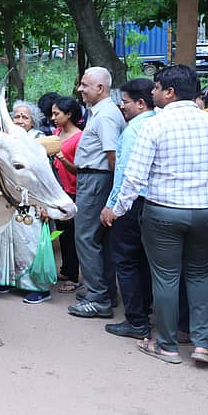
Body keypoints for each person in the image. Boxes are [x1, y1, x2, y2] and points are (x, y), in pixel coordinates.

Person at [104, 65, 208, 365]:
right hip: (205, 212)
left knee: (165, 277)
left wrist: (118, 209)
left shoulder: (154, 125)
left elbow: (134, 178)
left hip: (164, 212)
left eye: (156, 88)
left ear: (170, 92)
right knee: (200, 275)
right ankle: (202, 345)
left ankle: (166, 345)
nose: (152, 93)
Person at [99, 78, 156, 339]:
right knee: (144, 260)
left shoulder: (134, 130)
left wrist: (112, 206)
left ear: (141, 103)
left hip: (131, 203)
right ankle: (146, 309)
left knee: (126, 260)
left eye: (126, 103)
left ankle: (136, 321)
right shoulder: (160, 123)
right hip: (153, 203)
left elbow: (124, 173)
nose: (123, 108)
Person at [67, 66, 124, 319]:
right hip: (95, 178)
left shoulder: (106, 115)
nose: (80, 89)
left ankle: (97, 297)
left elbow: (113, 156)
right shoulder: (99, 112)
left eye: (84, 85)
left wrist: (113, 192)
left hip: (97, 179)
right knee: (98, 239)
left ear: (100, 88)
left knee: (86, 237)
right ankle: (103, 290)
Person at [0, 101, 53, 303]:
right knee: (7, 240)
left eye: (25, 117)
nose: (20, 120)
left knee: (29, 242)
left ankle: (39, 288)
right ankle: (6, 280)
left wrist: (45, 205)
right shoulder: (6, 140)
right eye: (17, 116)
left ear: (33, 121)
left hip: (33, 201)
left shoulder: (39, 141)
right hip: (10, 200)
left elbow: (47, 176)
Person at [51, 96, 83, 292]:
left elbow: (79, 170)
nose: (53, 117)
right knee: (61, 233)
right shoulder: (56, 133)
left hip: (72, 192)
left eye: (57, 113)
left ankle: (73, 276)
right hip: (57, 191)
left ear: (69, 114)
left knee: (71, 235)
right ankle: (65, 268)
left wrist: (62, 160)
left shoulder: (79, 138)